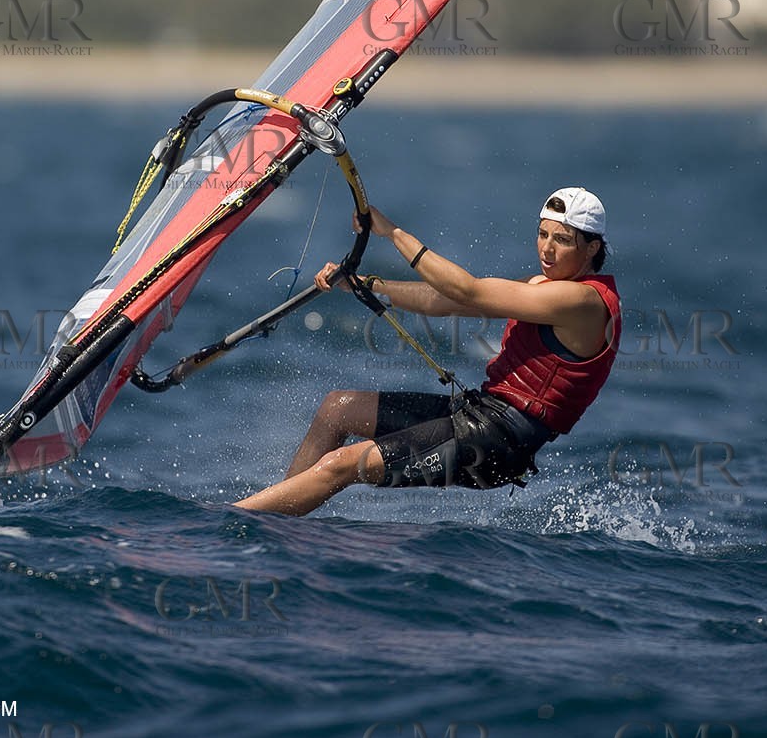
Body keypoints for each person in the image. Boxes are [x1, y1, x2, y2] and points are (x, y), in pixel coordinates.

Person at [233, 187, 619, 516]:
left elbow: (466, 289)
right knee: (338, 409)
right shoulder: (544, 288)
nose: (547, 249)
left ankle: (238, 523)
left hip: (497, 443)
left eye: (563, 240)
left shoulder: (583, 301)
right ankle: (278, 523)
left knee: (343, 464)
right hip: (478, 414)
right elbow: (445, 301)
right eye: (542, 234)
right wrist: (364, 284)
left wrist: (393, 232)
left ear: (592, 248)